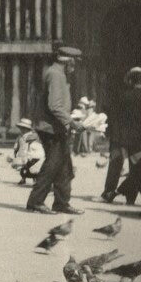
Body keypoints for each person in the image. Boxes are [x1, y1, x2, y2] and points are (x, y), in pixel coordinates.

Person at [26, 46, 85, 215]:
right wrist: (72, 123)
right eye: (74, 63)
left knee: (64, 166)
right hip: (51, 128)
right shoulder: (56, 75)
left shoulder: (59, 74)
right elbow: (54, 105)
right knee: (52, 165)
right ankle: (35, 201)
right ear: (68, 61)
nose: (75, 67)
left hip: (57, 126)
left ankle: (61, 202)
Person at [102, 67, 141, 205]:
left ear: (131, 80)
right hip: (139, 138)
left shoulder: (122, 96)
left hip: (120, 135)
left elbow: (115, 116)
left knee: (115, 164)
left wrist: (112, 133)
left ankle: (109, 191)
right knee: (136, 166)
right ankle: (130, 197)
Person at [12, 118, 44, 185]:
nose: (22, 130)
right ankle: (23, 178)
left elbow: (36, 145)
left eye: (24, 128)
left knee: (32, 167)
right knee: (22, 168)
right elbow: (17, 145)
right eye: (21, 128)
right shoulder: (20, 137)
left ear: (28, 129)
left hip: (30, 154)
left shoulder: (32, 136)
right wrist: (15, 151)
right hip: (22, 154)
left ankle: (35, 180)